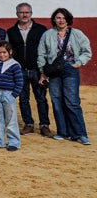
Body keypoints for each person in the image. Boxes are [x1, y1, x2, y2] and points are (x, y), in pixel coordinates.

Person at [39, 8, 91, 144]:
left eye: (63, 18)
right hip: (54, 70)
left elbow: (87, 51)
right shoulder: (47, 34)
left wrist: (79, 63)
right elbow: (41, 54)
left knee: (72, 102)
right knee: (57, 101)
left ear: (68, 19)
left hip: (70, 68)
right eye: (58, 18)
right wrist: (43, 72)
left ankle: (80, 134)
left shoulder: (77, 34)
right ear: (54, 20)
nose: (61, 20)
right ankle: (63, 131)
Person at [6, 2, 51, 137]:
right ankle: (28, 124)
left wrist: (45, 71)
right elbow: (10, 52)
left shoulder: (41, 29)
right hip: (20, 70)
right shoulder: (11, 31)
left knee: (41, 98)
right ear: (17, 14)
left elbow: (47, 50)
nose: (24, 15)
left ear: (31, 14)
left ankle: (44, 125)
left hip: (37, 70)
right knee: (23, 99)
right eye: (21, 12)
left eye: (27, 12)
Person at [0, 41, 23, 151]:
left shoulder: (14, 65)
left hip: (8, 94)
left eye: (4, 52)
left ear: (10, 52)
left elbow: (19, 82)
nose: (2, 55)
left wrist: (13, 95)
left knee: (11, 119)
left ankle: (14, 142)